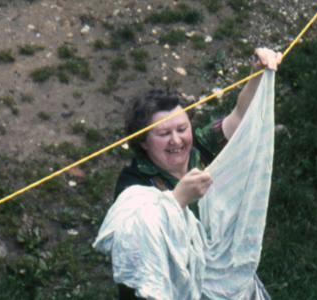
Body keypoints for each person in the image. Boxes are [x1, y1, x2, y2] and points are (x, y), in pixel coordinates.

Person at [112, 47, 282, 300]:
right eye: (163, 134)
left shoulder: (200, 149)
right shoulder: (134, 183)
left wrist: (256, 75)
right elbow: (136, 236)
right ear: (143, 142)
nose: (176, 140)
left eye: (182, 129)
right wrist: (178, 199)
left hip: (226, 283)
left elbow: (240, 117)